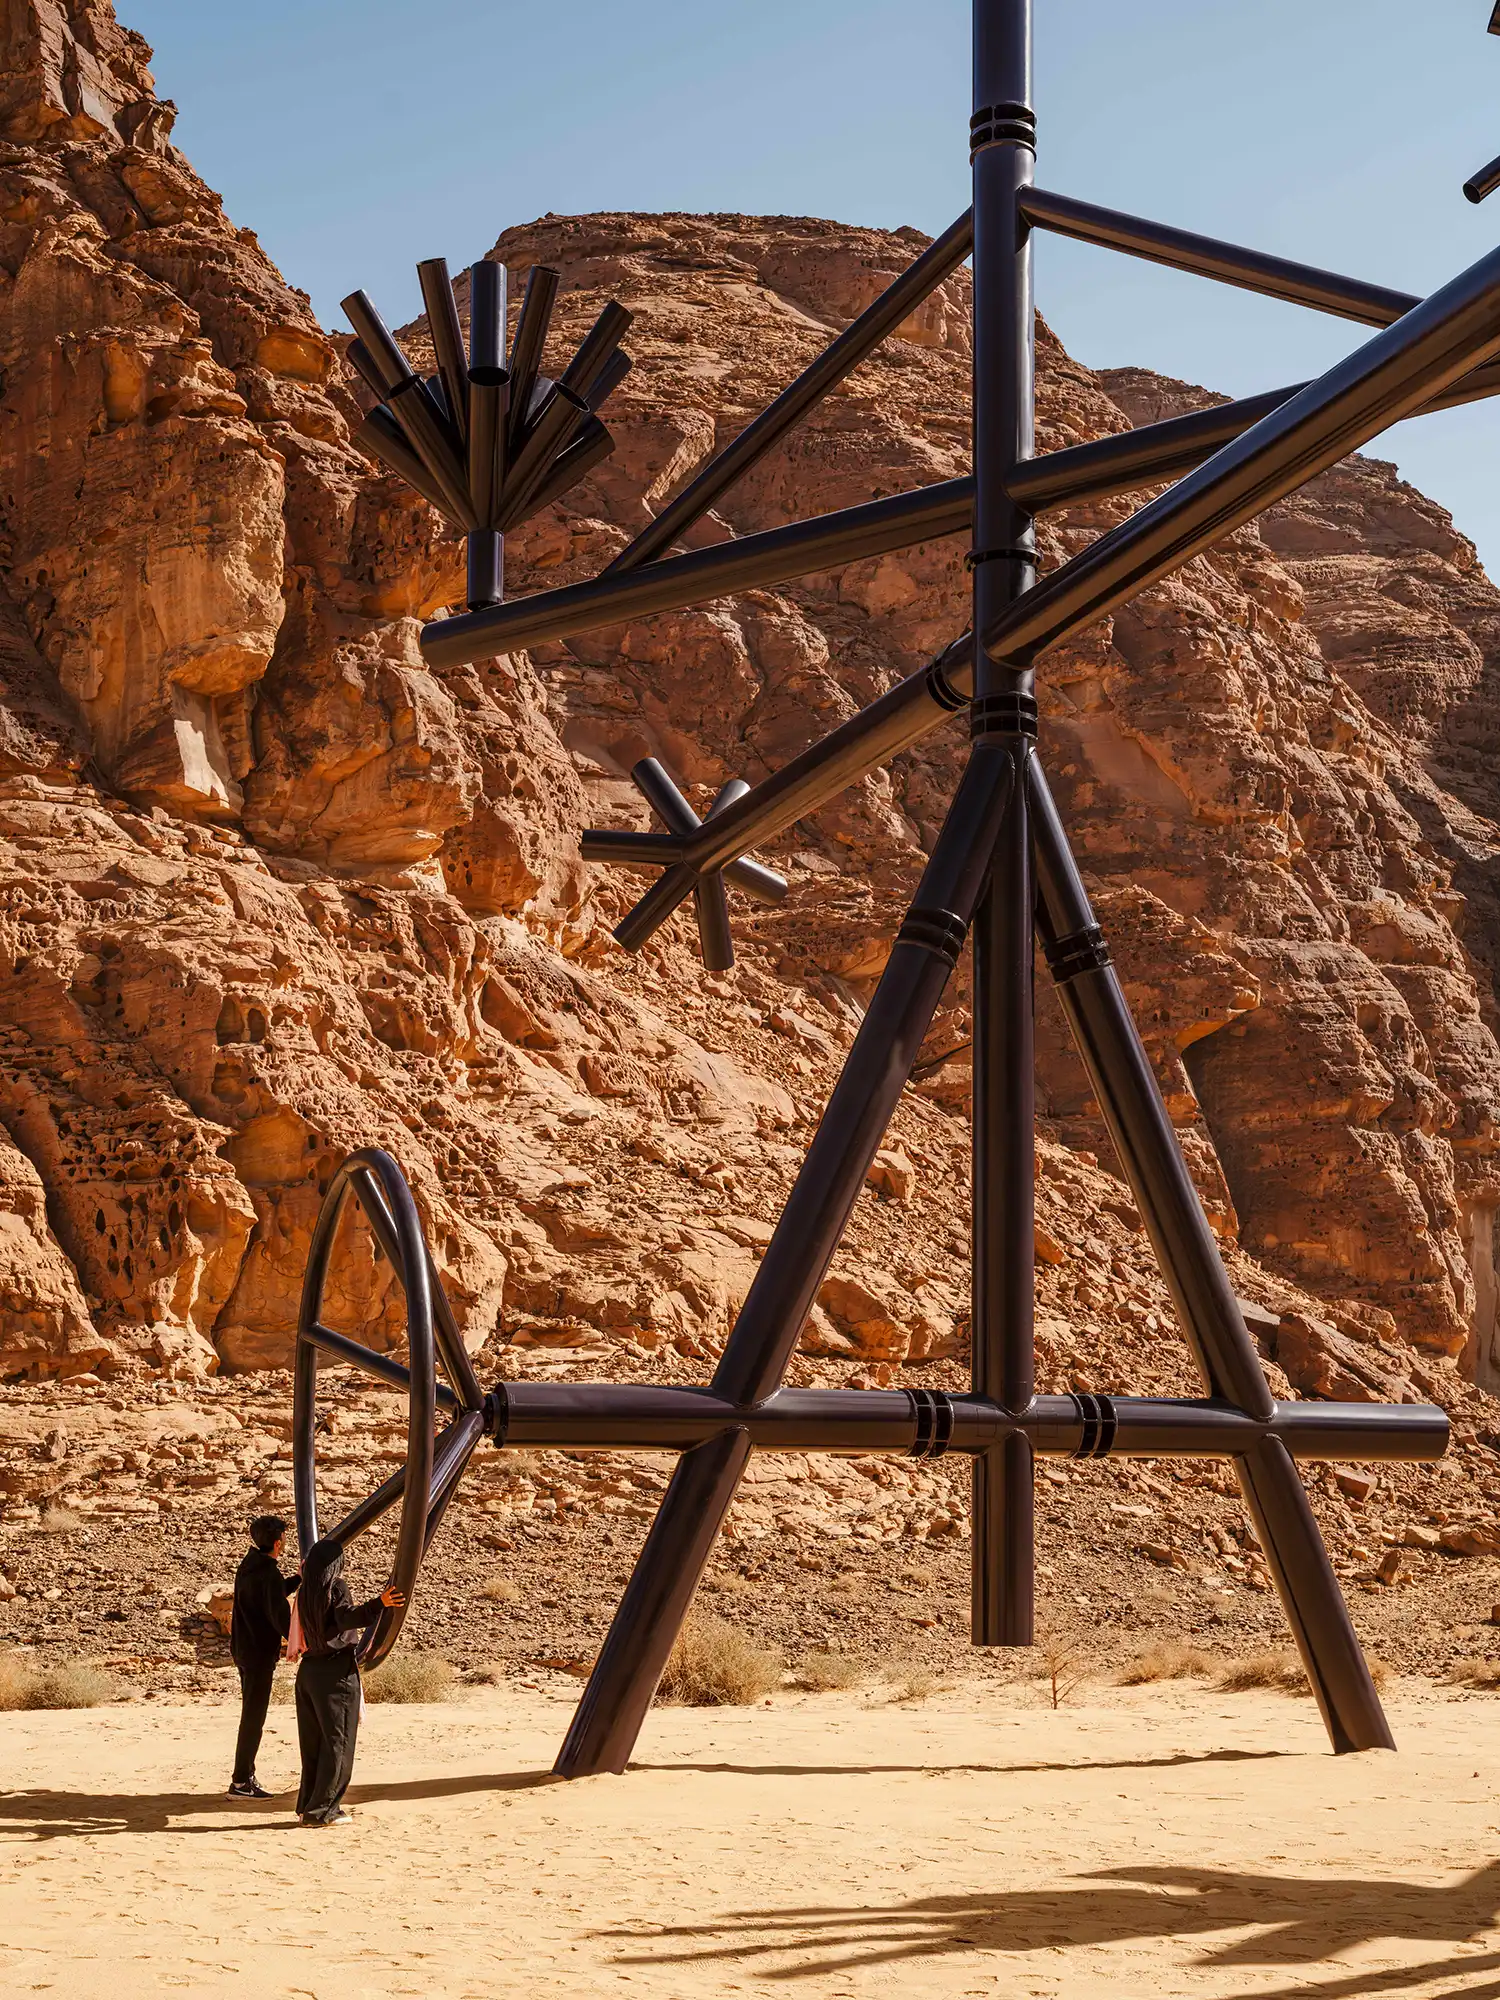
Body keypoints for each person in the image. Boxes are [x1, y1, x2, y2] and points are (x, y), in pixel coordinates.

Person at [294, 1538, 404, 1828]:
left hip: (308, 1672)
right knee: (338, 1742)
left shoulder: (305, 1591)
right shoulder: (335, 1587)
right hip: (335, 1673)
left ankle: (309, 1804)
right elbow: (345, 1619)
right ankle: (323, 1811)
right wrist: (379, 1604)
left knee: (314, 1742)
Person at [227, 1513, 300, 1800]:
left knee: (251, 1714)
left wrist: (296, 1580)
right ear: (279, 1542)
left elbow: (268, 1593)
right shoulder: (268, 1573)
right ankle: (241, 1782)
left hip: (243, 1650)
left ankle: (244, 1777)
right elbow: (280, 1615)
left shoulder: (249, 1565)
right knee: (253, 1718)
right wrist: (299, 1645)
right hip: (258, 1654)